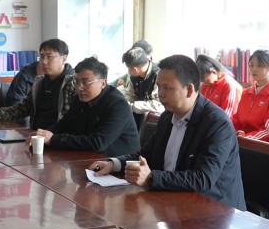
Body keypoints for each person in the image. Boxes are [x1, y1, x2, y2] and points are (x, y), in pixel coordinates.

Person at [91, 54, 246, 209]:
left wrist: (151, 177)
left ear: (189, 90)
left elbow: (202, 179)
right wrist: (114, 164)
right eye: (159, 86)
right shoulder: (167, 116)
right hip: (174, 202)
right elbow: (146, 155)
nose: (161, 94)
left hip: (216, 211)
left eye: (167, 88)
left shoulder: (216, 123)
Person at [30, 57, 139, 157]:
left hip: (121, 164)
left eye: (86, 82)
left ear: (103, 83)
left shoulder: (118, 105)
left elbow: (98, 142)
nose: (79, 87)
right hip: (89, 158)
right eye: (76, 82)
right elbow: (64, 124)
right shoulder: (80, 99)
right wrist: (43, 135)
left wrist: (53, 139)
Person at [0, 39, 75, 130]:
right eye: (42, 56)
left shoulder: (73, 84)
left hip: (56, 136)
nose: (44, 61)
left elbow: (73, 121)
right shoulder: (39, 82)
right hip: (34, 134)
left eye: (49, 57)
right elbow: (21, 109)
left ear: (64, 58)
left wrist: (53, 136)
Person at [232, 49, 269, 144]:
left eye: (259, 66)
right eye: (251, 65)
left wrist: (243, 139)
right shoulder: (246, 93)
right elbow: (236, 121)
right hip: (244, 141)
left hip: (268, 145)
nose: (254, 69)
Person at [120, 45, 163, 123]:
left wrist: (133, 106)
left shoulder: (159, 75)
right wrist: (125, 103)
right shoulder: (134, 76)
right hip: (140, 115)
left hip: (156, 119)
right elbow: (130, 94)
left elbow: (159, 105)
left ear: (135, 69)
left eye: (128, 68)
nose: (128, 71)